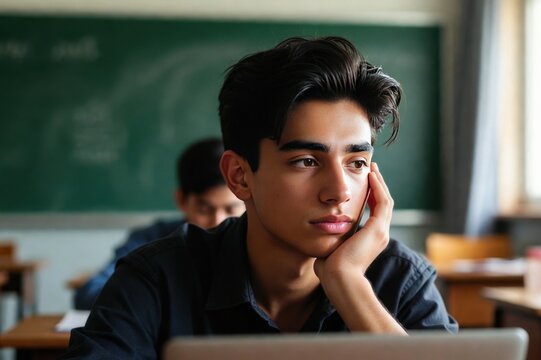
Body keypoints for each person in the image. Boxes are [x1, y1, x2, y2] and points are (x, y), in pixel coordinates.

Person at [62, 36, 457, 359]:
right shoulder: (158, 277)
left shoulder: (401, 279)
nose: (339, 191)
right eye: (305, 161)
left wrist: (348, 283)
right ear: (240, 176)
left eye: (356, 163)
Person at [73, 137, 245, 310]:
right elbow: (90, 293)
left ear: (247, 199)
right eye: (205, 210)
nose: (218, 221)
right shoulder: (151, 239)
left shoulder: (258, 242)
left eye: (230, 209)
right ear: (181, 200)